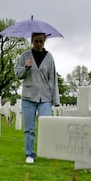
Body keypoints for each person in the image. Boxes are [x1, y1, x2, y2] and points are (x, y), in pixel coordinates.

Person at [14, 32, 60, 164]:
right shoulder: (24, 56)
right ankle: (30, 154)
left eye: (41, 41)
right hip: (28, 97)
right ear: (32, 41)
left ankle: (46, 151)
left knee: (46, 126)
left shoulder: (49, 57)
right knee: (29, 129)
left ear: (45, 41)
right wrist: (26, 67)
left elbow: (53, 78)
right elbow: (17, 74)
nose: (38, 44)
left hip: (45, 97)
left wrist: (55, 100)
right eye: (36, 41)